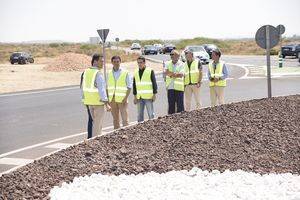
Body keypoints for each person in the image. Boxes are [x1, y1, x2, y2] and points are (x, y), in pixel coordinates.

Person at [81, 53, 111, 138]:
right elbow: (102, 90)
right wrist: (106, 104)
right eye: (101, 61)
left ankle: (93, 141)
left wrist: (83, 100)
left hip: (89, 103)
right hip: (98, 103)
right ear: (95, 61)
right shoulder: (98, 73)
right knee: (98, 125)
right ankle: (95, 144)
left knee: (94, 124)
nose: (103, 63)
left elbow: (83, 87)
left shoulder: (86, 72)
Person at [107, 55, 132, 129]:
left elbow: (129, 87)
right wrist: (108, 99)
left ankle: (126, 134)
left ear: (120, 62)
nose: (116, 63)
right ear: (112, 62)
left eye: (117, 61)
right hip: (112, 99)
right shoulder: (109, 73)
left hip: (122, 99)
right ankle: (116, 135)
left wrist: (125, 98)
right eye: (114, 62)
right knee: (115, 119)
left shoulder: (125, 72)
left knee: (125, 119)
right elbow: (107, 87)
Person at [133, 56, 158, 122]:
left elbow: (154, 83)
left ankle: (152, 128)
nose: (139, 64)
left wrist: (154, 94)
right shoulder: (135, 72)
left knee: (151, 115)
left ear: (144, 62)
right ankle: (140, 130)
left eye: (141, 62)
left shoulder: (150, 71)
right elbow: (134, 85)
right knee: (139, 115)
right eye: (138, 63)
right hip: (139, 97)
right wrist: (135, 96)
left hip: (148, 97)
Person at [164, 50, 185, 114]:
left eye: (173, 54)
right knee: (171, 105)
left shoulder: (182, 64)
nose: (172, 56)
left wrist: (171, 74)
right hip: (170, 87)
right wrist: (176, 74)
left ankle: (181, 119)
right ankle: (171, 120)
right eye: (171, 55)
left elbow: (181, 74)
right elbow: (166, 72)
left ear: (178, 56)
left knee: (180, 106)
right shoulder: (167, 63)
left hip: (179, 88)